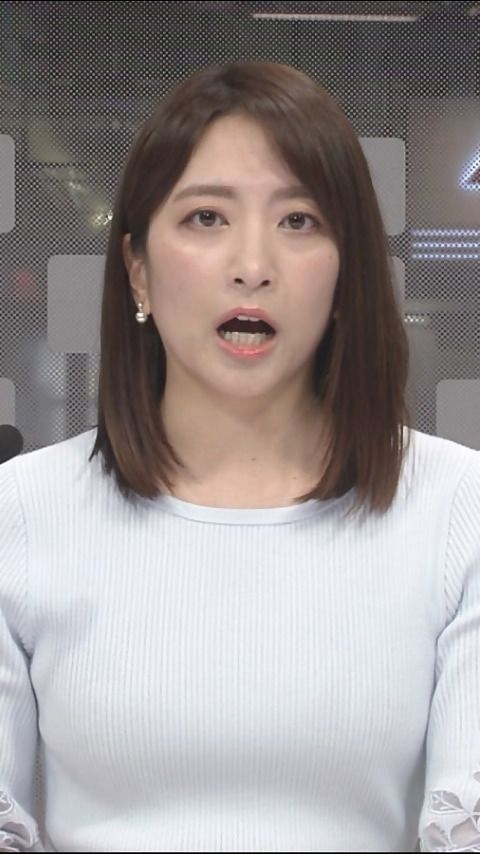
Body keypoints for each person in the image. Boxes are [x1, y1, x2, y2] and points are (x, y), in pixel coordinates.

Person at [0, 60, 479, 854]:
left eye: (299, 221)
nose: (252, 265)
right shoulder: (18, 511)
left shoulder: (458, 506)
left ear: (348, 273)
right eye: (206, 218)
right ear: (137, 270)